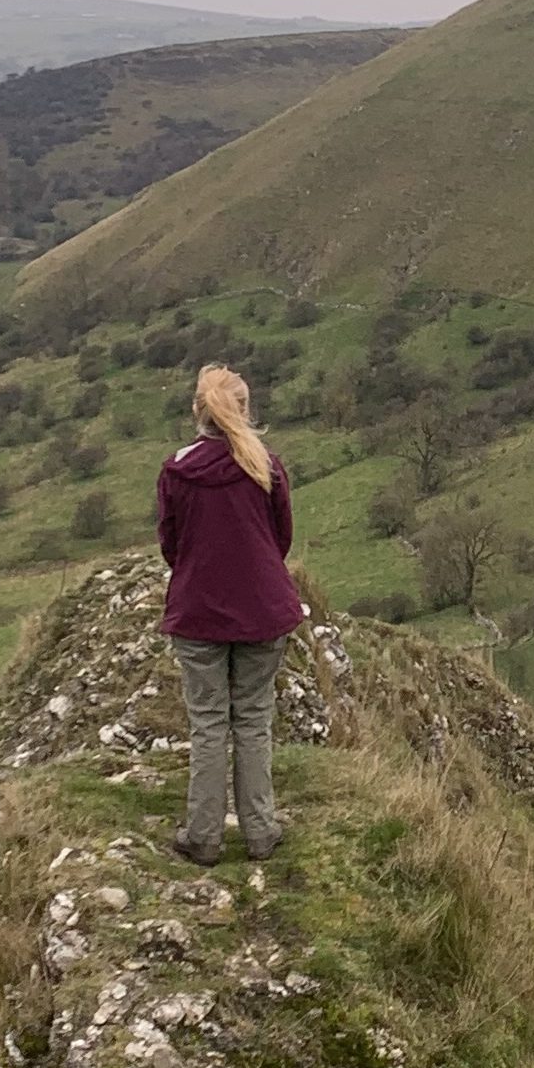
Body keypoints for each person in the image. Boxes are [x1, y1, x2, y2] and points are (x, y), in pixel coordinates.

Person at [155, 362, 303, 864]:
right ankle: (261, 832)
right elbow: (280, 540)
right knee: (255, 720)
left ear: (198, 412)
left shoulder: (178, 470)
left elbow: (171, 546)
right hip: (263, 611)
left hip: (199, 614)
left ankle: (203, 837)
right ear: (244, 410)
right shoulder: (267, 466)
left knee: (209, 724)